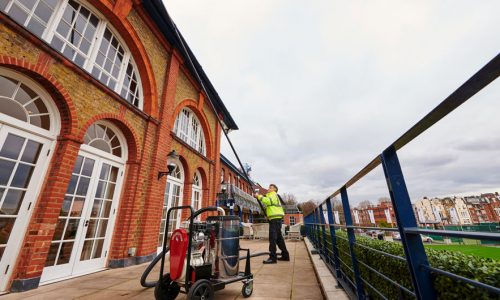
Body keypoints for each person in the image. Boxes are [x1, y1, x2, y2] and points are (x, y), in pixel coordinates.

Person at [254, 184, 290, 264]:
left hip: (275, 220)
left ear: (274, 189)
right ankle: (285, 255)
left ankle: (273, 258)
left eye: (270, 187)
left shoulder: (273, 195)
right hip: (275, 219)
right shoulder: (271, 195)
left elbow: (268, 201)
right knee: (279, 239)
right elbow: (269, 204)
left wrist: (258, 197)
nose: (268, 188)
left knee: (272, 238)